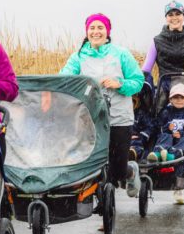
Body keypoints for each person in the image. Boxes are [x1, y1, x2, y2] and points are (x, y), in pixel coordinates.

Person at [59, 13, 144, 197]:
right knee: (93, 165)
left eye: (100, 28)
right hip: (89, 119)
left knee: (117, 169)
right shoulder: (78, 57)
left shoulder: (121, 54)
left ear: (107, 32)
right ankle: (106, 210)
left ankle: (130, 172)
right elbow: (64, 79)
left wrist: (120, 83)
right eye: (92, 28)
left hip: (119, 118)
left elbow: (138, 81)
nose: (95, 31)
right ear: (86, 31)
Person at [142, 1, 184, 97]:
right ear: (166, 18)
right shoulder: (156, 41)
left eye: (178, 14)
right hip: (165, 90)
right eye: (170, 15)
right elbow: (146, 69)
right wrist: (137, 79)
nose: (174, 18)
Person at [148, 82, 184, 204]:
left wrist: (181, 133)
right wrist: (167, 128)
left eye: (182, 97)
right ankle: (158, 153)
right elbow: (158, 127)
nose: (179, 100)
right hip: (168, 140)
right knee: (164, 136)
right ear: (170, 99)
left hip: (181, 141)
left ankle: (171, 155)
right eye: (175, 97)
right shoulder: (166, 112)